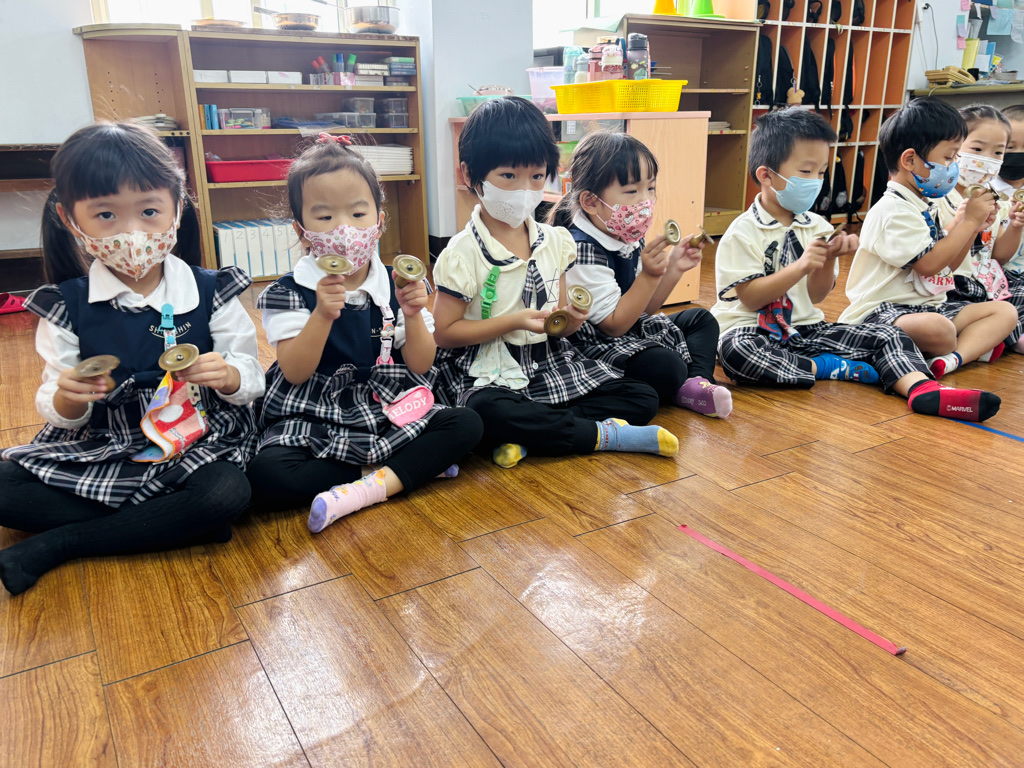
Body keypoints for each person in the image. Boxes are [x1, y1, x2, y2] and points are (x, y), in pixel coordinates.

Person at [0, 122, 264, 595]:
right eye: (106, 214)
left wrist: (226, 374)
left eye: (149, 211)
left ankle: (66, 542)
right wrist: (68, 397)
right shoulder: (65, 305)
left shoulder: (211, 291)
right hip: (104, 440)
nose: (131, 233)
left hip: (193, 437)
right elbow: (59, 409)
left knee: (225, 492)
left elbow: (251, 376)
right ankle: (169, 521)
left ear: (177, 207)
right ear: (69, 218)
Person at [246, 134, 482, 532]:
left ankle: (365, 487)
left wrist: (413, 314)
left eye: (358, 214)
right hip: (315, 407)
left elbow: (422, 363)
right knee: (267, 474)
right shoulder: (288, 293)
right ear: (302, 230)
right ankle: (397, 471)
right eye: (324, 218)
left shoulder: (394, 282)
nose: (344, 229)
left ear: (379, 221)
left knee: (467, 424)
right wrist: (322, 315)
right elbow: (295, 371)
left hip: (385, 400)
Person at [431, 97, 678, 469]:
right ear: (469, 175)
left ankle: (532, 433)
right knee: (486, 409)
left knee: (642, 397)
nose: (524, 189)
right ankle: (602, 436)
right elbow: (445, 333)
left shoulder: (554, 241)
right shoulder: (461, 252)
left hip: (548, 361)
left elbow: (559, 320)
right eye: (508, 176)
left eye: (536, 176)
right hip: (489, 367)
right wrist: (512, 322)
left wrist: (571, 319)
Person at [713, 107, 1000, 422]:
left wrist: (826, 262)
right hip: (752, 331)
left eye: (822, 172)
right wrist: (801, 266)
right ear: (766, 175)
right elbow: (751, 298)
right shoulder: (742, 232)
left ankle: (923, 390)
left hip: (806, 329)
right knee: (736, 352)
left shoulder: (817, 226)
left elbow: (816, 296)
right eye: (806, 172)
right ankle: (829, 367)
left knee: (887, 336)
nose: (816, 181)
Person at [550, 131, 732, 418]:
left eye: (650, 188)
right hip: (595, 344)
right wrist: (649, 275)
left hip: (630, 327)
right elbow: (614, 326)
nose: (645, 201)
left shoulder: (624, 234)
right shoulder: (581, 249)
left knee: (701, 319)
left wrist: (673, 268)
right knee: (665, 366)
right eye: (632, 192)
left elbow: (645, 309)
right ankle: (680, 382)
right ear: (591, 202)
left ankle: (696, 383)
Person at [838, 97, 1017, 381]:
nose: (954, 166)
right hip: (881, 311)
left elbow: (948, 267)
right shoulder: (893, 210)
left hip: (929, 306)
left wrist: (972, 229)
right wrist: (969, 222)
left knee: (1005, 312)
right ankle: (955, 346)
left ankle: (951, 359)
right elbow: (928, 265)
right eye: (948, 158)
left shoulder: (924, 205)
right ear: (910, 160)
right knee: (940, 330)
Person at [934, 104, 1024, 356]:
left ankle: (992, 337)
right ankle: (994, 339)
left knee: (1012, 299)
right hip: (950, 287)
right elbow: (934, 260)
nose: (987, 160)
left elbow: (998, 256)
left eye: (998, 152)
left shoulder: (991, 199)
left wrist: (1015, 225)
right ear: (954, 149)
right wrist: (966, 222)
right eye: (977, 149)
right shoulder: (938, 198)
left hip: (985, 284)